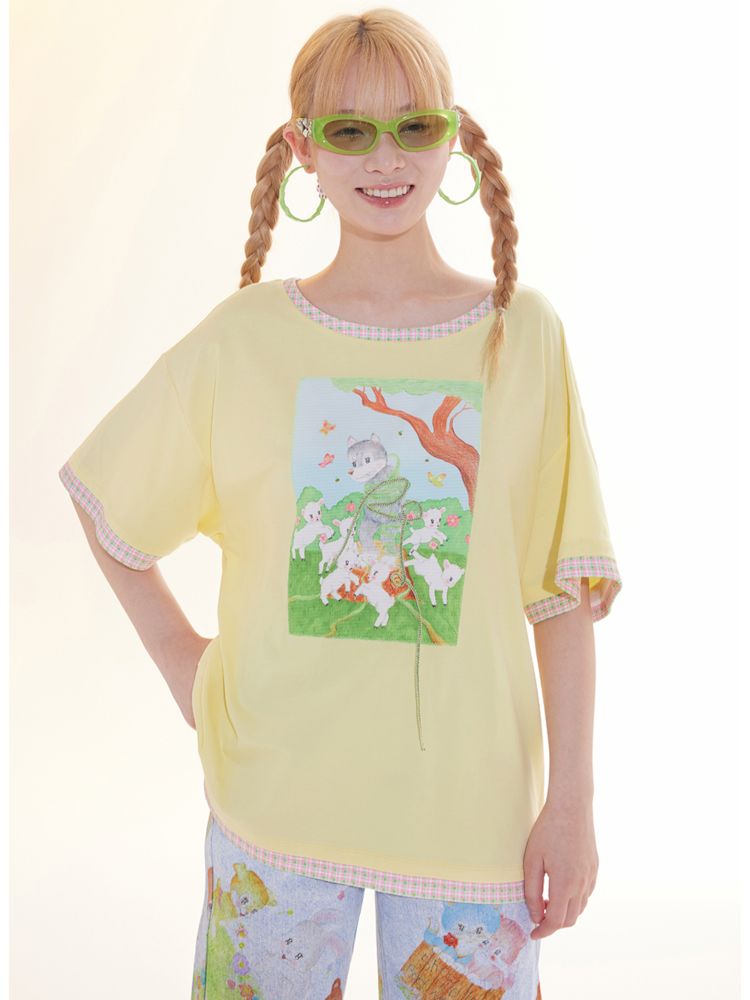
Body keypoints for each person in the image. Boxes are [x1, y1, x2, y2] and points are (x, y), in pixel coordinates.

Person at [59, 8, 622, 999]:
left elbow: (560, 595)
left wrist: (571, 802)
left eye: (413, 125)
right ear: (303, 149)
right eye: (350, 130)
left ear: (454, 136)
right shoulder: (243, 339)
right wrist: (184, 663)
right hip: (276, 806)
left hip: (471, 816)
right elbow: (109, 497)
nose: (385, 158)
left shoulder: (520, 335)